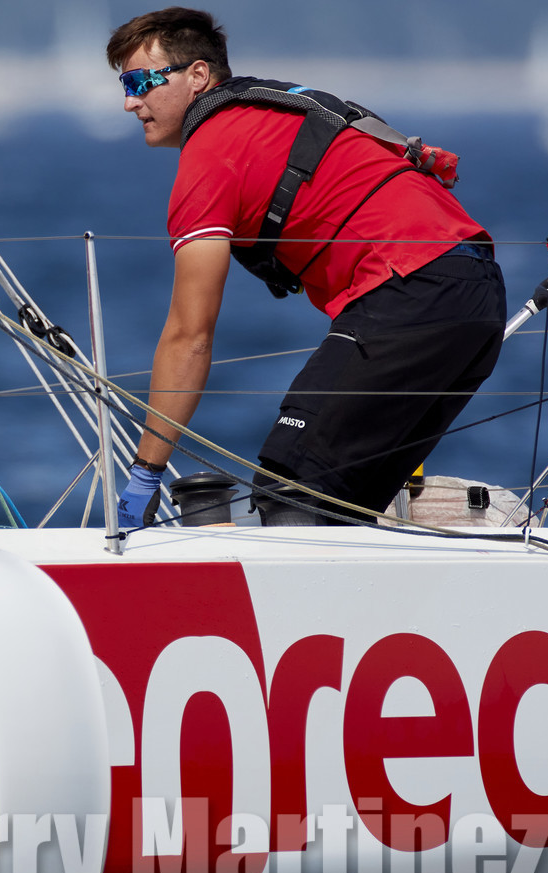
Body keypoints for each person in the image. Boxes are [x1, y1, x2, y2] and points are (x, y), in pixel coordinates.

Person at [108, 7, 506, 528]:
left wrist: (145, 472)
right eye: (124, 84)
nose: (129, 101)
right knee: (342, 505)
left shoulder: (208, 156)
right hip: (478, 293)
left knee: (290, 490)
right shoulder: (277, 109)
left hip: (412, 289)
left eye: (140, 81)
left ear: (199, 76)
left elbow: (190, 336)